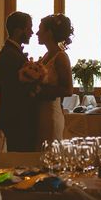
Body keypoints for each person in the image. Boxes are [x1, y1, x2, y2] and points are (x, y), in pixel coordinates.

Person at [0, 11, 36, 151]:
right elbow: (16, 88)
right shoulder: (9, 54)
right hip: (16, 117)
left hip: (17, 117)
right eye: (28, 28)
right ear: (18, 30)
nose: (31, 32)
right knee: (19, 160)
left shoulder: (13, 52)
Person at [35, 13, 74, 149]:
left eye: (40, 29)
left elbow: (68, 90)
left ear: (49, 33)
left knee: (50, 153)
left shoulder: (61, 57)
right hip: (40, 113)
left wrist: (40, 91)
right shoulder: (46, 55)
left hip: (51, 114)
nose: (37, 33)